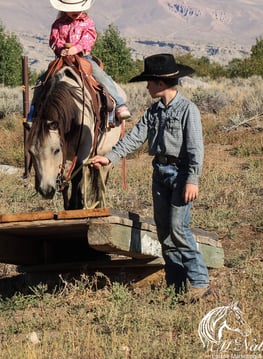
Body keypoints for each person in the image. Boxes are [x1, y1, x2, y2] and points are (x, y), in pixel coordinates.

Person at [90, 53, 212, 301]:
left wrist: (192, 179)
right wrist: (110, 158)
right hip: (160, 174)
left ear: (160, 82)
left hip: (181, 175)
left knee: (179, 229)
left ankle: (200, 281)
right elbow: (135, 138)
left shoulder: (189, 110)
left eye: (149, 82)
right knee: (165, 233)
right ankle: (176, 286)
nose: (146, 87)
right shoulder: (153, 111)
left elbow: (195, 148)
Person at [30, 0, 131, 122]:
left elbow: (89, 38)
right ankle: (34, 111)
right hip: (62, 59)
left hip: (84, 57)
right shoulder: (58, 24)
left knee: (100, 76)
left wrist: (76, 48)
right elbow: (54, 40)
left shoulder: (88, 22)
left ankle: (120, 104)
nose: (75, 11)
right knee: (42, 80)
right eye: (71, 9)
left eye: (78, 7)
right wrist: (61, 50)